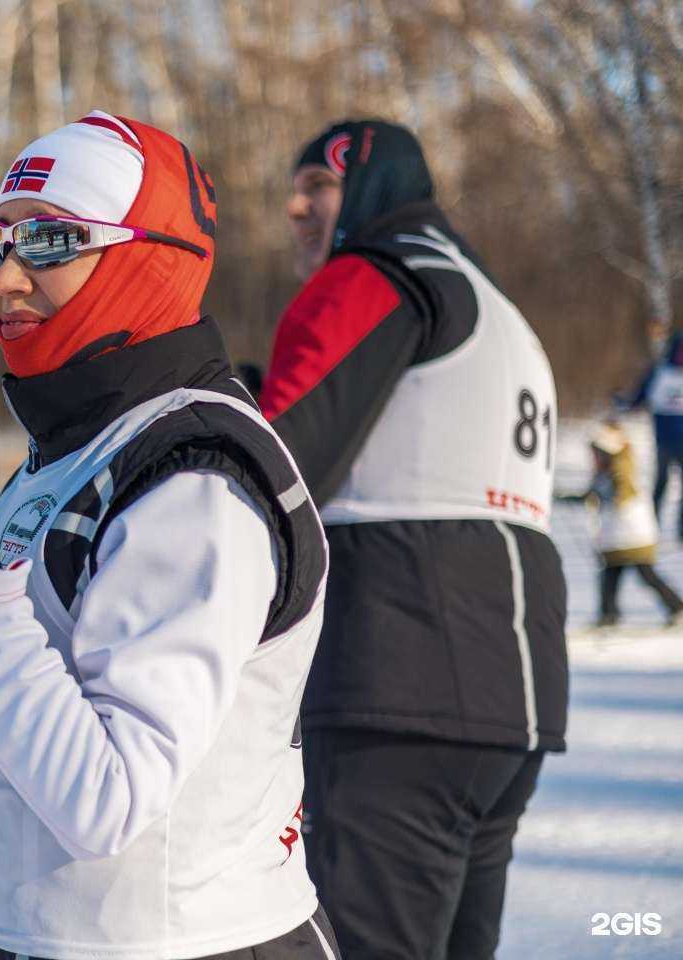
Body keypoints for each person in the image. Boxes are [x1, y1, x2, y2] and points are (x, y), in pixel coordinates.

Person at [0, 111, 338, 960]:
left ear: (149, 257)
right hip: (48, 937)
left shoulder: (194, 479)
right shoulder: (76, 451)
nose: (4, 280)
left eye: (50, 242)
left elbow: (106, 798)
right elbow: (26, 711)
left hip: (185, 944)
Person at [259, 119, 569, 960]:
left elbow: (277, 463)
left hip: (399, 680)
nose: (296, 209)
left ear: (371, 188)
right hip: (514, 697)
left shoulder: (373, 273)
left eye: (318, 188)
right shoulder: (491, 300)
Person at [571, 420, 683, 627]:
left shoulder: (622, 469)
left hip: (632, 535)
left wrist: (611, 498)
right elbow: (592, 494)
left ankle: (677, 607)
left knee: (645, 574)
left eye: (597, 453)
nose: (593, 458)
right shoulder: (604, 474)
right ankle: (609, 614)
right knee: (611, 575)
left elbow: (624, 492)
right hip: (615, 537)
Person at [623, 328, 683, 537]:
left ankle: (681, 529)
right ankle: (652, 525)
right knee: (661, 484)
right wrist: (626, 403)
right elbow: (640, 396)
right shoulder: (660, 373)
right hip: (665, 440)